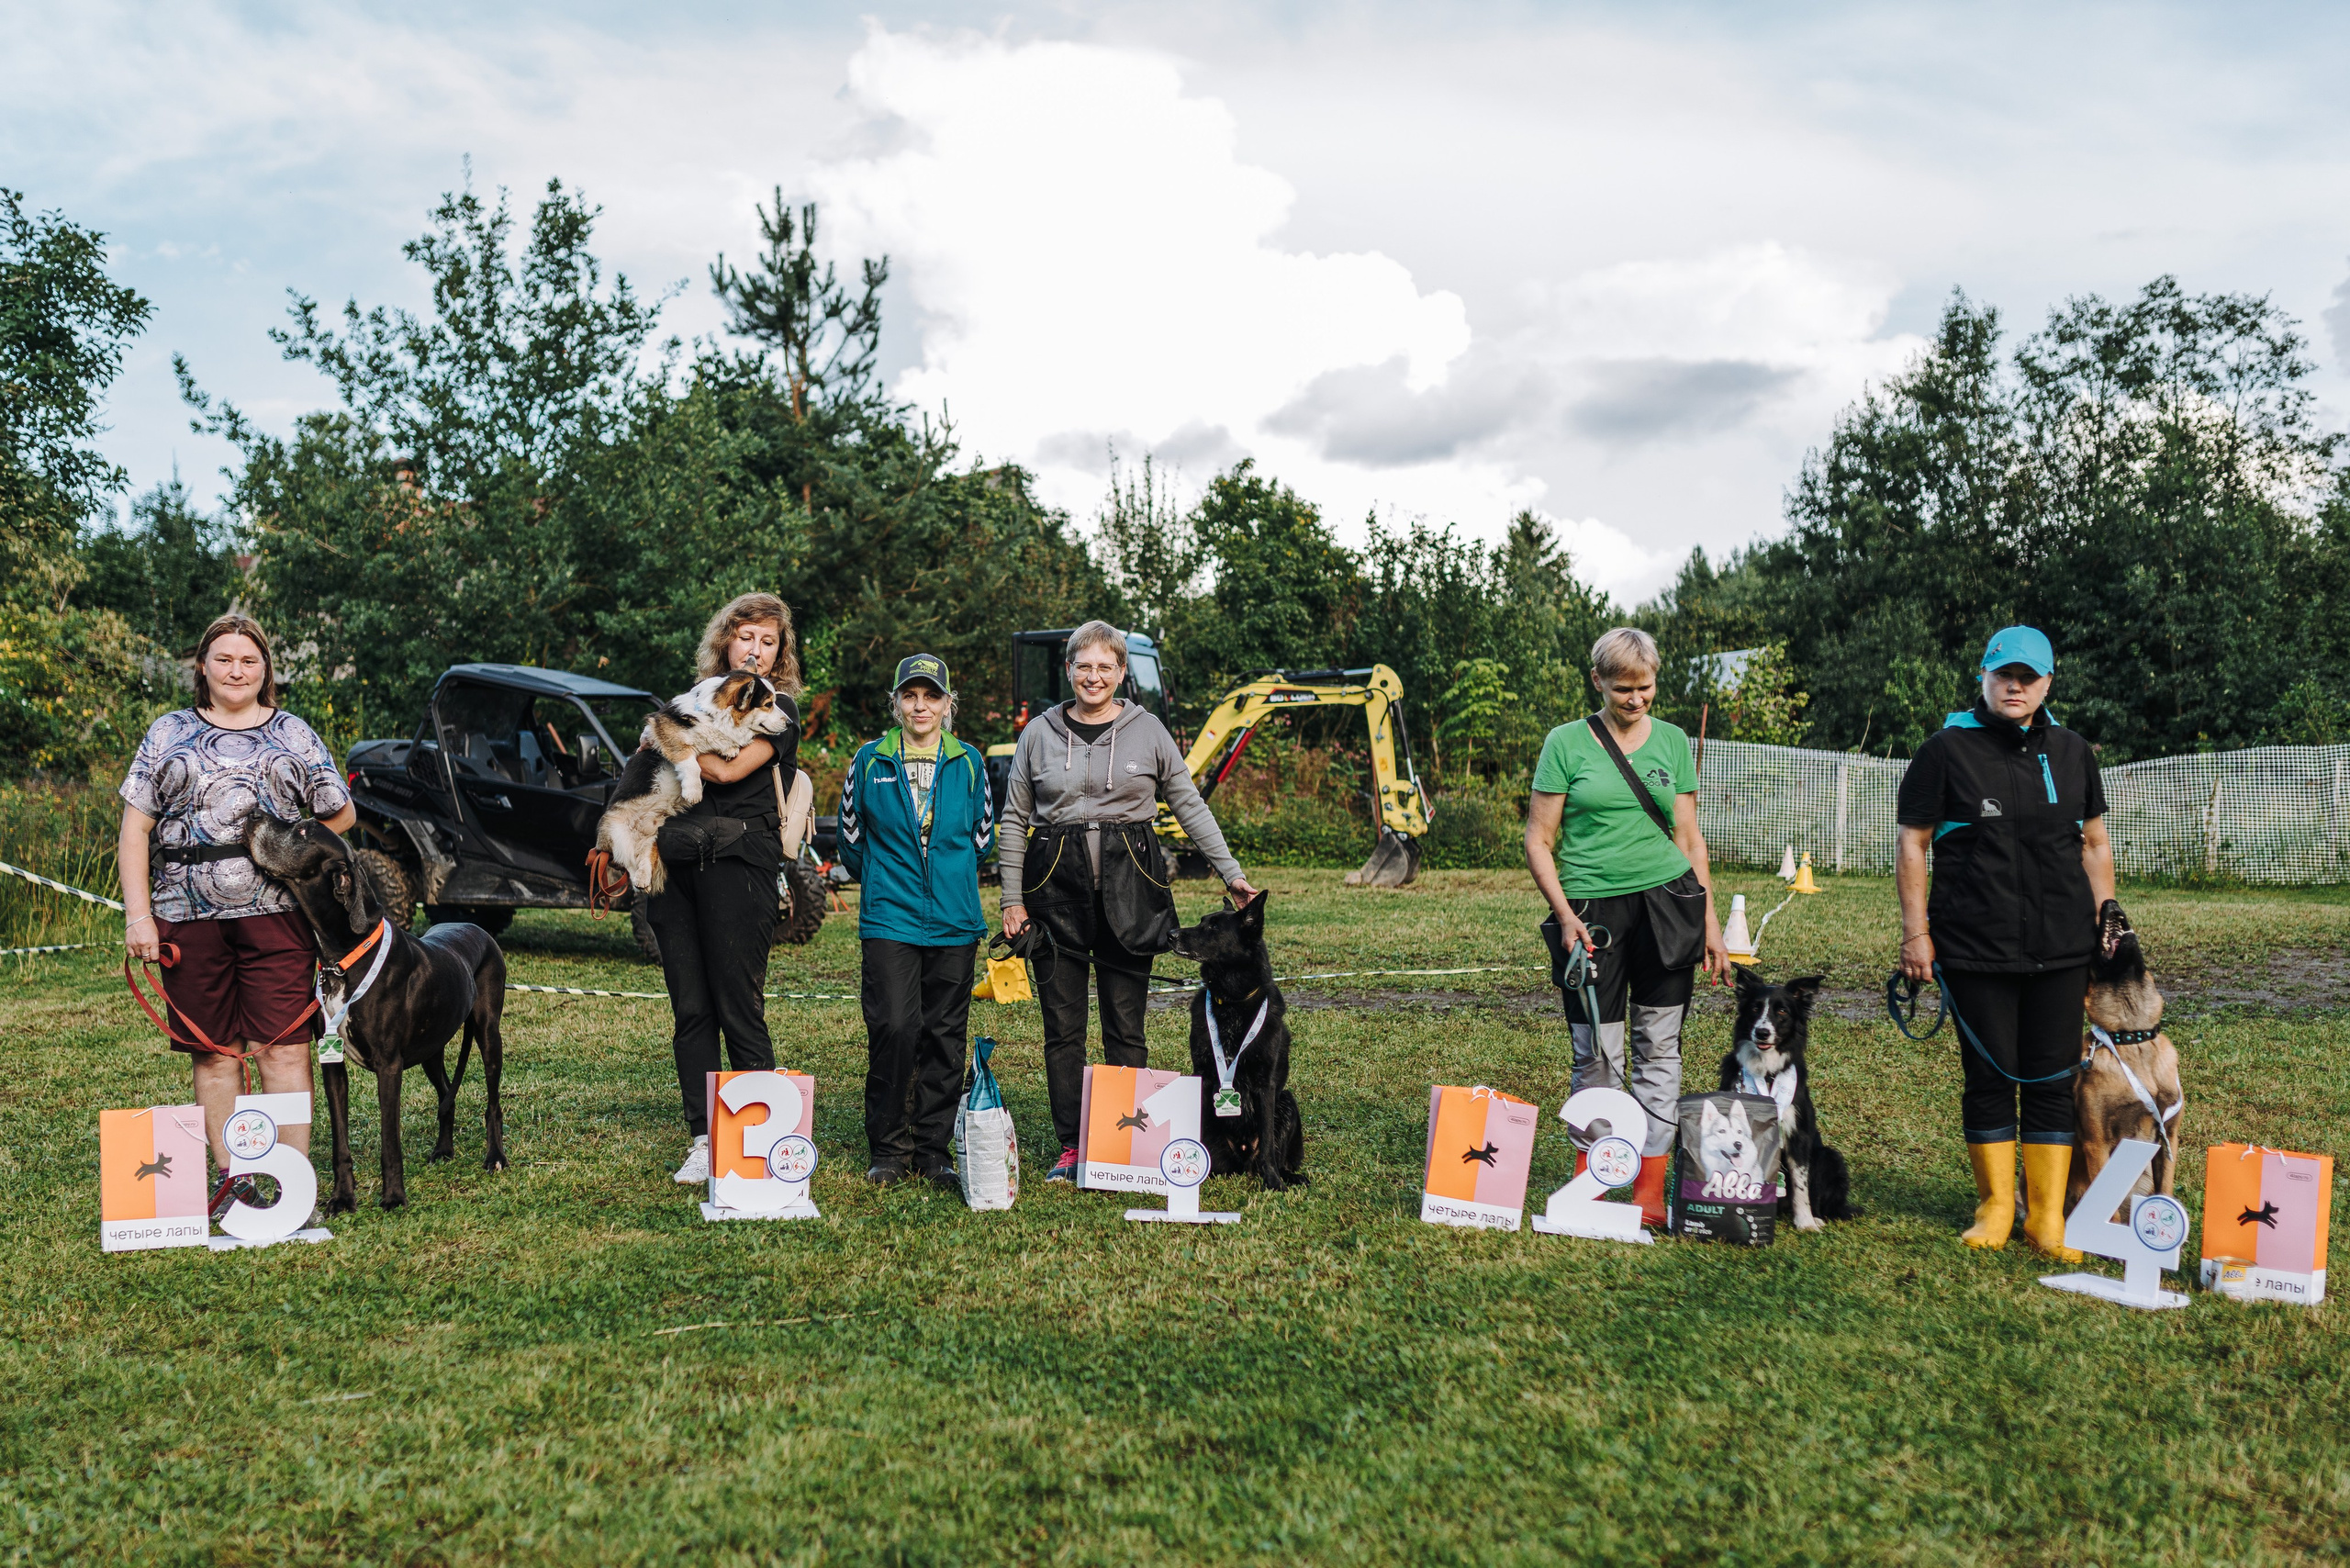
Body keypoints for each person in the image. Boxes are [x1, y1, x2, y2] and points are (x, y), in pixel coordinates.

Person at [998, 620, 1259, 1182]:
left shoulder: (1150, 731)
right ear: (1069, 670)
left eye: (1105, 667)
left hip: (1131, 891)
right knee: (1062, 1029)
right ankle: (1072, 1145)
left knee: (1126, 1025)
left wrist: (1231, 873)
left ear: (1120, 673)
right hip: (1053, 897)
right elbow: (1015, 819)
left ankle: (1127, 1143)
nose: (1094, 677)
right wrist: (1011, 900)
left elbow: (1190, 805)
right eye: (1083, 666)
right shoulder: (1037, 734)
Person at [118, 612, 356, 1215]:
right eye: (224, 659)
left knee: (281, 1048)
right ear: (203, 666)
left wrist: (291, 848)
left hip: (278, 914)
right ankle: (234, 1185)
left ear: (265, 669)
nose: (236, 670)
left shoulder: (294, 734)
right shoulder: (167, 732)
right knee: (214, 1050)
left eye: (249, 660)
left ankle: (290, 1190)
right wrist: (138, 916)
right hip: (183, 915)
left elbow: (341, 813)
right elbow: (134, 828)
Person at [1897, 625, 2114, 1259]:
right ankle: (1995, 1206)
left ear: (2048, 683)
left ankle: (2045, 1219)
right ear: (1984, 678)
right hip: (1973, 943)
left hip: (2063, 946)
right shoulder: (1944, 751)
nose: (2014, 686)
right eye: (2003, 675)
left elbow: (2095, 844)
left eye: (2028, 677)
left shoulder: (2074, 751)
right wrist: (1917, 934)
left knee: (2051, 1080)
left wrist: (2106, 923)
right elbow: (1913, 843)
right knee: (1989, 1078)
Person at [1524, 626, 1730, 1226]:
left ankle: (1647, 1195)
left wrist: (1710, 921)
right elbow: (1538, 839)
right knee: (1596, 1054)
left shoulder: (1671, 742)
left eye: (1646, 688)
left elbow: (1690, 838)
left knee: (1659, 1049)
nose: (1636, 699)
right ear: (1597, 681)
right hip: (1591, 913)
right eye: (1623, 689)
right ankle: (1592, 1188)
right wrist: (1565, 916)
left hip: (1669, 906)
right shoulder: (1565, 743)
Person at [659, 593, 801, 1185]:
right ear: (726, 641)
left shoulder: (778, 710)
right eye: (747, 637)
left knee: (737, 1007)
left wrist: (671, 740)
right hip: (673, 867)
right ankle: (703, 1137)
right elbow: (644, 760)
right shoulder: (693, 701)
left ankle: (759, 1142)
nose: (757, 650)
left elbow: (725, 769)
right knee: (691, 1009)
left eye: (769, 642)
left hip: (739, 865)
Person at [837, 654, 993, 1186]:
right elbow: (852, 840)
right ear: (896, 702)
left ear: (949, 704)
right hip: (890, 918)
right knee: (894, 1028)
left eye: (932, 696)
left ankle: (932, 1149)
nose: (920, 706)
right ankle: (887, 1147)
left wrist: (945, 876)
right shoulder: (869, 759)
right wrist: (889, 878)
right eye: (910, 695)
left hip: (954, 919)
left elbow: (982, 838)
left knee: (945, 1036)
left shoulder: (970, 761)